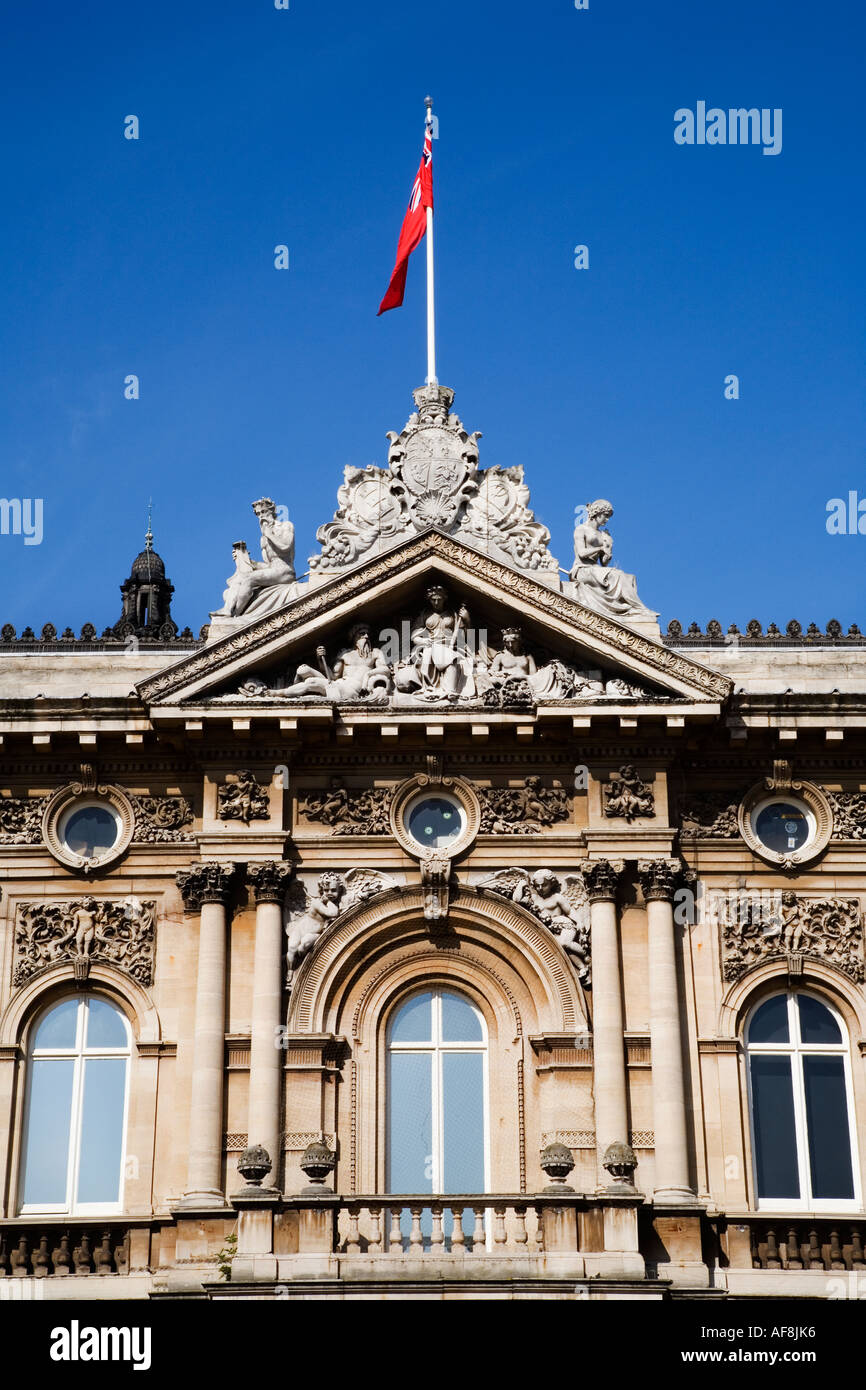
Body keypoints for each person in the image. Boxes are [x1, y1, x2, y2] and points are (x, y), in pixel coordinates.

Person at [570, 500, 652, 621]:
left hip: (596, 569)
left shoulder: (602, 534)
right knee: (618, 575)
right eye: (605, 515)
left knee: (629, 578)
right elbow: (582, 553)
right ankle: (639, 608)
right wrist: (600, 548)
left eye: (608, 516)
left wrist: (608, 549)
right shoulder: (581, 529)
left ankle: (632, 609)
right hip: (582, 570)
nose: (607, 519)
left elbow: (604, 563)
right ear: (597, 513)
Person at [215, 498, 296, 617]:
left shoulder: (285, 525)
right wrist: (249, 562)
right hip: (273, 570)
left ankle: (236, 615)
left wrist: (270, 534)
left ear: (272, 511)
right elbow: (268, 564)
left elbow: (286, 547)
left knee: (249, 579)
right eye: (258, 514)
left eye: (263, 512)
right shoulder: (263, 538)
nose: (261, 516)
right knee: (239, 579)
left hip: (285, 571)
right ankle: (227, 609)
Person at [395, 585, 475, 701]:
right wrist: (422, 640)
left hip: (450, 646)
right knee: (429, 656)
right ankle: (431, 688)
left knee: (451, 658)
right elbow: (414, 635)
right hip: (429, 645)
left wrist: (467, 620)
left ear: (444, 598)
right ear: (429, 599)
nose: (436, 602)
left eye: (439, 599)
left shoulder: (453, 615)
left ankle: (450, 690)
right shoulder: (425, 614)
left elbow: (465, 637)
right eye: (433, 600)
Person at [284, 624, 392, 701]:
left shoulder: (375, 653)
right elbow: (333, 676)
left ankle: (279, 693)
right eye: (362, 634)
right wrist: (320, 658)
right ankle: (285, 694)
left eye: (367, 634)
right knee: (303, 670)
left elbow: (385, 670)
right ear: (354, 638)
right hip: (340, 684)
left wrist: (368, 674)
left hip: (353, 689)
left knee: (312, 682)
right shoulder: (345, 654)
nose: (366, 637)